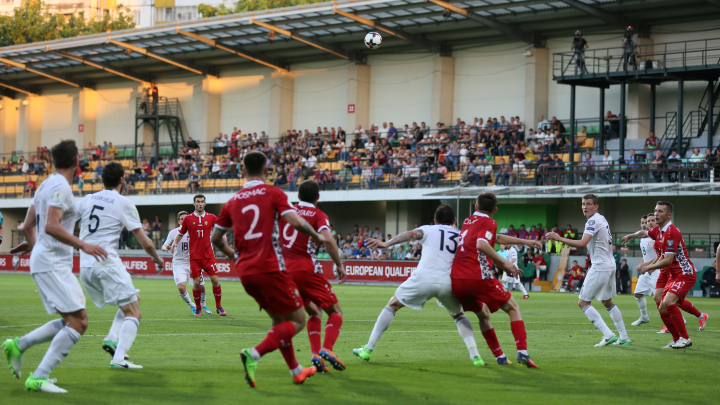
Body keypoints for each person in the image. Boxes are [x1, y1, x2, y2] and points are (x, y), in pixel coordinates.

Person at [210, 151, 327, 387]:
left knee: (278, 322)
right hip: (270, 268)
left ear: (243, 171)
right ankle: (253, 354)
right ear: (267, 170)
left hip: (245, 272)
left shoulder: (232, 202)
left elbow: (216, 238)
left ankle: (296, 371)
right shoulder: (274, 193)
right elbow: (296, 222)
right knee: (298, 320)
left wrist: (235, 256)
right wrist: (316, 235)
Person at [3, 140, 108, 393]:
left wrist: (35, 246)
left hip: (46, 258)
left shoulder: (45, 185)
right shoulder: (61, 186)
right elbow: (51, 224)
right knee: (79, 322)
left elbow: (28, 225)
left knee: (71, 319)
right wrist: (83, 245)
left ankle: (18, 346)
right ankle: (38, 376)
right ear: (76, 161)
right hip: (52, 262)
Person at [355, 204, 488, 367]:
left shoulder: (428, 229)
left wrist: (386, 244)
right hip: (449, 281)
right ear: (454, 221)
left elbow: (410, 234)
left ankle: (368, 349)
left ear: (435, 221)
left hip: (424, 277)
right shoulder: (461, 235)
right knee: (458, 315)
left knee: (393, 304)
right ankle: (476, 356)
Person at [76, 162, 163, 370]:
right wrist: (158, 259)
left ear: (101, 180)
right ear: (122, 180)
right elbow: (146, 242)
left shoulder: (87, 199)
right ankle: (119, 358)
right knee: (134, 312)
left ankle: (112, 338)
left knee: (134, 299)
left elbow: (67, 220)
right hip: (106, 263)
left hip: (85, 267)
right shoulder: (123, 202)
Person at [451, 192, 540, 367]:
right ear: (496, 210)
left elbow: (496, 238)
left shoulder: (469, 220)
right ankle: (522, 352)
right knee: (513, 307)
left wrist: (525, 242)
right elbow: (482, 244)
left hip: (457, 279)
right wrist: (505, 264)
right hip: (478, 277)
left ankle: (499, 356)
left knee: (483, 315)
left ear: (476, 207)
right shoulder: (489, 222)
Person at [279, 180, 348, 373]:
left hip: (285, 271)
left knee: (314, 312)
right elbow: (327, 240)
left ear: (298, 196)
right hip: (305, 269)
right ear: (318, 197)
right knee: (335, 311)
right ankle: (327, 349)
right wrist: (339, 265)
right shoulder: (318, 215)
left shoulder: (287, 212)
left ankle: (316, 355)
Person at [546, 194, 631, 346]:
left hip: (600, 265)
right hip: (609, 264)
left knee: (583, 302)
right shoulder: (602, 218)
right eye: (583, 204)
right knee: (607, 301)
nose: (585, 207)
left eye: (589, 204)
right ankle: (624, 337)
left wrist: (559, 238)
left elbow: (583, 242)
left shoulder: (593, 220)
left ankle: (608, 334)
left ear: (596, 206)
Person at [621, 201, 708, 348]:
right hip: (673, 274)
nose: (656, 214)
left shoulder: (671, 231)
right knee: (661, 307)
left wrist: (648, 267)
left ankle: (685, 338)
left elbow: (668, 260)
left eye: (660, 211)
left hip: (684, 273)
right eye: (655, 211)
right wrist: (630, 235)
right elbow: (644, 233)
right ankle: (676, 339)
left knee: (668, 302)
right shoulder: (658, 231)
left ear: (669, 215)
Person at [171, 194, 226, 316]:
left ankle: (219, 306)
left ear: (205, 203)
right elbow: (180, 233)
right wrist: (174, 243)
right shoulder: (188, 219)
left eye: (202, 201)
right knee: (196, 283)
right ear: (194, 204)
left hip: (208, 256)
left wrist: (224, 239)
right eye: (198, 201)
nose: (200, 203)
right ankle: (198, 307)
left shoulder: (211, 217)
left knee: (215, 280)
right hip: (195, 257)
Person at [162, 211, 209, 314]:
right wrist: (166, 248)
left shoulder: (196, 231)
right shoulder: (173, 232)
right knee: (181, 288)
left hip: (193, 262)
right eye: (182, 219)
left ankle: (203, 305)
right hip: (179, 263)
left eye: (186, 218)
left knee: (201, 287)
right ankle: (192, 306)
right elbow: (164, 246)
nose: (184, 220)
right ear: (179, 222)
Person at [627, 214, 660, 326]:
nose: (644, 224)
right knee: (637, 293)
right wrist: (640, 264)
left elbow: (660, 255)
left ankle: (680, 319)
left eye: (646, 222)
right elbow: (646, 255)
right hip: (647, 271)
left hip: (656, 270)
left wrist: (650, 265)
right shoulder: (642, 237)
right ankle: (644, 317)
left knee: (662, 298)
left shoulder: (655, 236)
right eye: (642, 222)